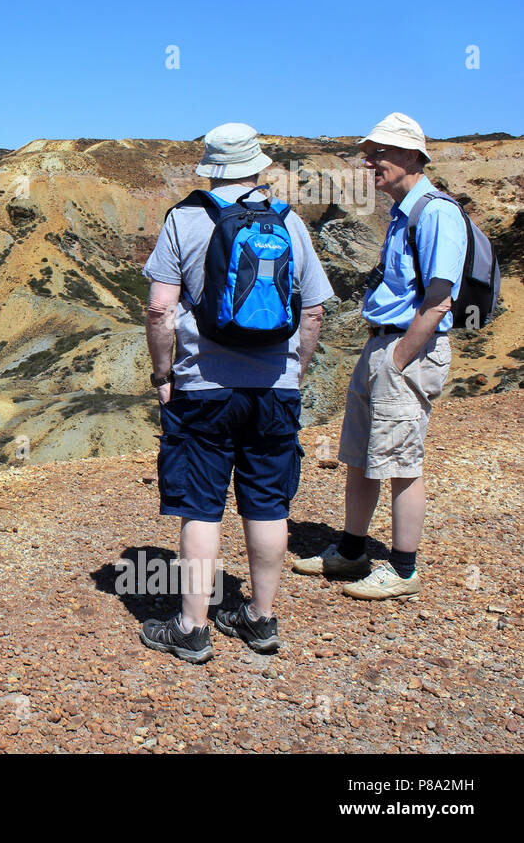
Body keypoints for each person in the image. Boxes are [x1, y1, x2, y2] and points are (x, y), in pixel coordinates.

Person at [139, 123, 333, 663]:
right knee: (268, 504)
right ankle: (261, 620)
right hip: (275, 388)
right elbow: (313, 310)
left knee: (202, 508)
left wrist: (163, 375)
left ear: (210, 167)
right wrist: (295, 371)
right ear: (258, 166)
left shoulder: (184, 219)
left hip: (203, 386)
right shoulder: (290, 223)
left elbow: (159, 309)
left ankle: (192, 629)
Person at [292, 113, 464, 601]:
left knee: (403, 459)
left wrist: (400, 357)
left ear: (412, 156)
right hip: (382, 342)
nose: (370, 162)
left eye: (379, 153)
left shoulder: (435, 212)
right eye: (369, 153)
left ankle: (404, 569)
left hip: (406, 347)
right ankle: (351, 551)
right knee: (361, 455)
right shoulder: (403, 211)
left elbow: (439, 297)